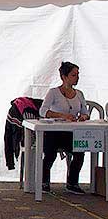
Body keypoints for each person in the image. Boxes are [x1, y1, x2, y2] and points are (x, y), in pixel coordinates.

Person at [39, 61, 89, 194]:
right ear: (64, 77)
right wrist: (62, 115)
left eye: (78, 74)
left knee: (79, 152)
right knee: (50, 154)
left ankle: (72, 182)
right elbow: (43, 111)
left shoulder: (79, 94)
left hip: (72, 132)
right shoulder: (53, 92)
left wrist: (83, 117)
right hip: (54, 132)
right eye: (74, 75)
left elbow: (85, 112)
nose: (77, 77)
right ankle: (44, 181)